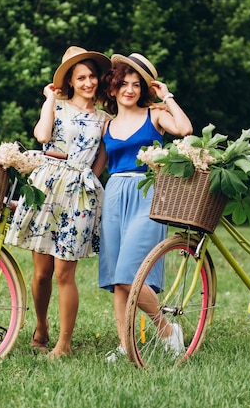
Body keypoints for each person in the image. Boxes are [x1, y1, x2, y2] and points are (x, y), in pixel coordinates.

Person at [5, 46, 110, 358]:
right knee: (42, 271)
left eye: (92, 76)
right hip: (47, 186)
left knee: (65, 273)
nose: (88, 82)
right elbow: (41, 134)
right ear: (71, 81)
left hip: (79, 192)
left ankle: (63, 344)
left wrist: (86, 180)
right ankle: (41, 325)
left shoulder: (104, 119)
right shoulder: (57, 105)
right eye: (82, 77)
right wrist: (49, 99)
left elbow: (101, 159)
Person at [97, 53, 193, 361]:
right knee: (117, 278)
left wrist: (167, 97)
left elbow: (185, 129)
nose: (129, 89)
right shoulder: (106, 126)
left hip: (147, 192)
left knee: (129, 272)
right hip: (114, 193)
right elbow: (96, 168)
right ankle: (125, 346)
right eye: (123, 83)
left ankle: (167, 330)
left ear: (144, 90)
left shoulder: (155, 114)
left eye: (136, 85)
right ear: (112, 88)